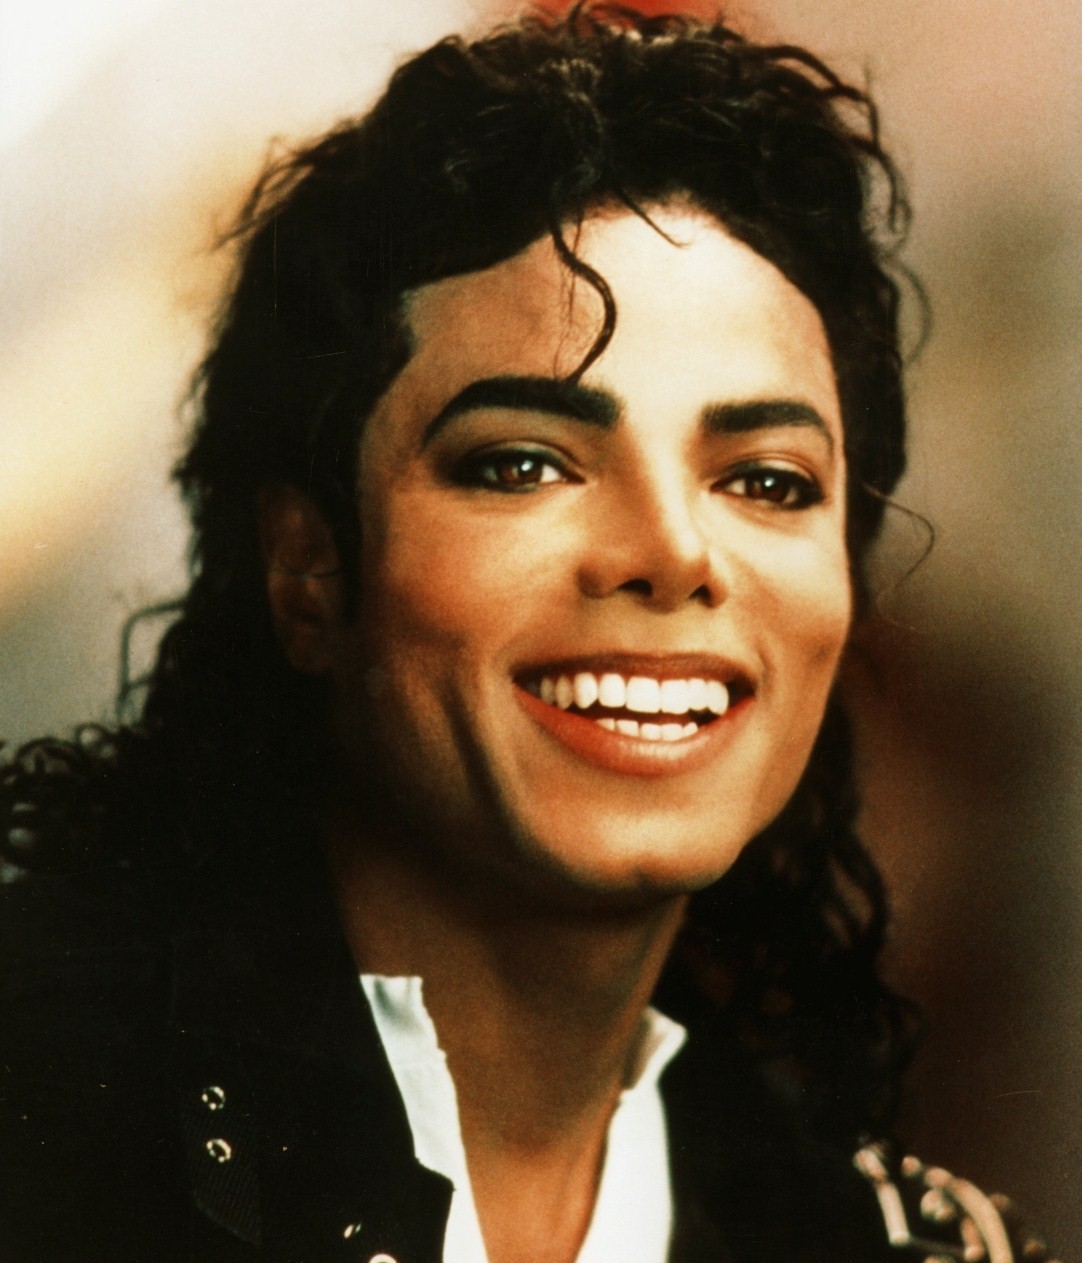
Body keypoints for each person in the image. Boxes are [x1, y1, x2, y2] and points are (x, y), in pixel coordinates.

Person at [0, 6, 1055, 1262]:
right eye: (522, 463)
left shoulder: (901, 1244)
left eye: (766, 480)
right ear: (306, 568)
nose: (673, 551)